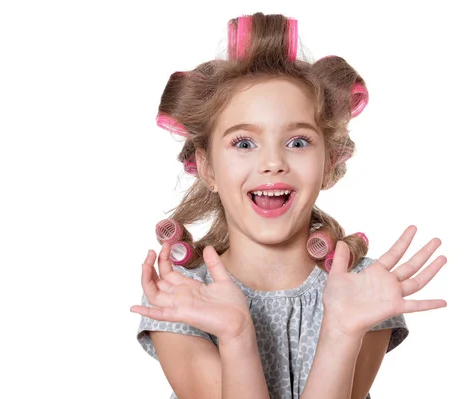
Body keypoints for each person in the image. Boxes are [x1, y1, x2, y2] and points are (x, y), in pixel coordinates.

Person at [130, 12, 447, 399]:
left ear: (329, 164)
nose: (273, 162)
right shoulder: (182, 294)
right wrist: (236, 335)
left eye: (297, 142)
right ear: (208, 167)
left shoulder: (363, 290)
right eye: (244, 143)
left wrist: (342, 333)